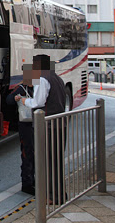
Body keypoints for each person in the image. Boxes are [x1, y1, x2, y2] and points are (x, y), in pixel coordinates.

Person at [20, 54, 66, 205]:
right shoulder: (57, 78)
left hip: (48, 126)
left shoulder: (42, 79)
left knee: (47, 162)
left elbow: (37, 102)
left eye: (34, 64)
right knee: (57, 162)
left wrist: (23, 100)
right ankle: (60, 194)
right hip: (60, 124)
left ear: (38, 65)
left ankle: (52, 197)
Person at [6, 64, 35, 195]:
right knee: (27, 153)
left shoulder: (38, 88)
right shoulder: (21, 88)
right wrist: (17, 98)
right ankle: (27, 183)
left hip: (35, 125)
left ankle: (33, 180)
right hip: (26, 125)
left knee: (35, 154)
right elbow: (9, 100)